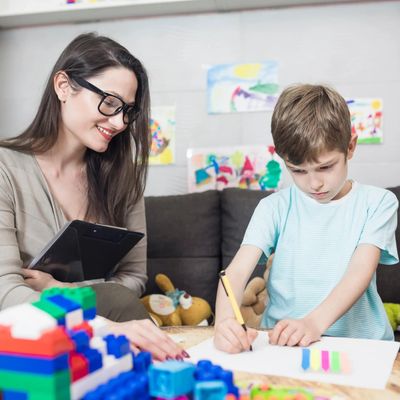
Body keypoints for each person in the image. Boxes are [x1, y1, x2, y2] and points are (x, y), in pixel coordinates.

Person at [0, 32, 186, 361]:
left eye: (127, 110)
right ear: (63, 86)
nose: (118, 122)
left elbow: (132, 279)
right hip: (31, 349)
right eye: (109, 102)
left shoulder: (122, 177)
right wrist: (102, 325)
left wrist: (60, 290)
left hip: (103, 340)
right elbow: (5, 293)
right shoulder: (6, 169)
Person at [214, 84, 399, 353]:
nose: (314, 183)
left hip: (361, 345)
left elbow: (360, 271)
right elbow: (237, 271)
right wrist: (223, 323)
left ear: (350, 146)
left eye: (325, 167)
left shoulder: (378, 202)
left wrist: (313, 323)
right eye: (298, 170)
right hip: (283, 344)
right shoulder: (272, 208)